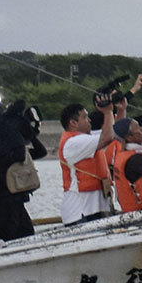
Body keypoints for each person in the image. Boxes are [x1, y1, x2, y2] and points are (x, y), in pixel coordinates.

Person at [0, 100, 46, 241]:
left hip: (15, 201)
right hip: (2, 203)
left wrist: (29, 133)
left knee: (27, 234)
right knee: (9, 235)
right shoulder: (0, 154)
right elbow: (18, 154)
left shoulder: (17, 151)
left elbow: (41, 152)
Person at [57, 94, 115, 225]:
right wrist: (108, 112)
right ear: (73, 123)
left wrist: (120, 110)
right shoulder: (73, 142)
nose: (89, 120)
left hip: (95, 209)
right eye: (85, 117)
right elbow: (107, 137)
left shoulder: (86, 138)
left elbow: (113, 131)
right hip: (79, 212)